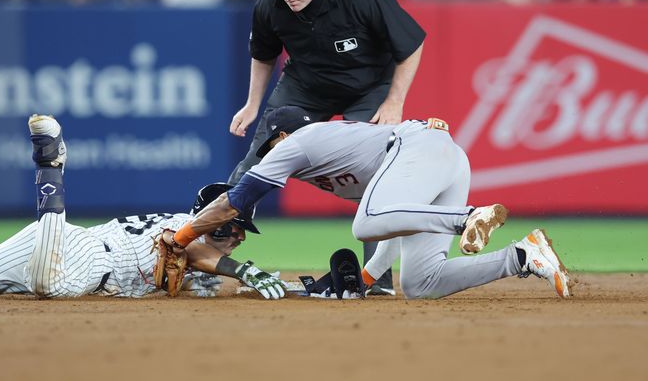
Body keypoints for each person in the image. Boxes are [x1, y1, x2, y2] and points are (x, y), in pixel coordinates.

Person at [161, 106, 574, 300]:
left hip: (420, 147)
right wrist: (367, 278)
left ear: (279, 138)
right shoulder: (331, 165)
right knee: (419, 284)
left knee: (364, 224)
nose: (266, 154)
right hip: (440, 161)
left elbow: (236, 202)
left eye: (267, 145)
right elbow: (392, 223)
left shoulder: (296, 144)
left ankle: (469, 217)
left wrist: (180, 237)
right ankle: (523, 257)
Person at [228, 0, 426, 294]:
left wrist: (395, 100)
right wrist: (252, 104)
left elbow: (411, 45)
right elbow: (264, 54)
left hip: (370, 86)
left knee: (374, 171)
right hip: (306, 86)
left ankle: (375, 278)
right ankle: (206, 258)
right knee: (255, 158)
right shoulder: (271, 3)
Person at [0, 114, 286, 300]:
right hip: (90, 259)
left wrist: (206, 283)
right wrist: (244, 272)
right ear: (207, 218)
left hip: (57, 242)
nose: (238, 236)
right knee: (49, 285)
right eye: (233, 225)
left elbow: (196, 266)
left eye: (242, 232)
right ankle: (51, 170)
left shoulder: (194, 244)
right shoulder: (186, 225)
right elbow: (188, 246)